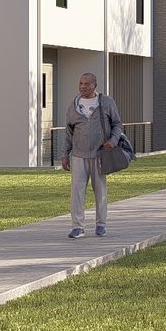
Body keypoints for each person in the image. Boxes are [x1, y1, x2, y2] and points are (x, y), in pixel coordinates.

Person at [62, 72, 123, 239]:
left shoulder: (106, 102)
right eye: (80, 83)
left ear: (94, 85)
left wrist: (113, 140)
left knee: (100, 190)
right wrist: (65, 155)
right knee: (77, 191)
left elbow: (117, 124)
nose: (82, 86)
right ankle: (77, 227)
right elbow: (68, 133)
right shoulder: (73, 105)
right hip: (78, 155)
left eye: (87, 84)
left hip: (100, 155)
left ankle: (101, 224)